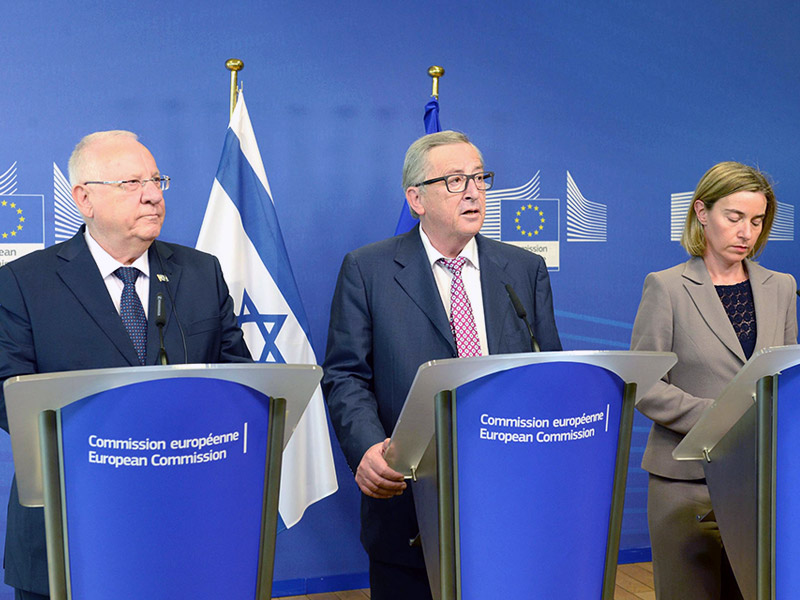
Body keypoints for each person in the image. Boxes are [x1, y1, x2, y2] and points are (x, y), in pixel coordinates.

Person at [0, 130, 251, 599]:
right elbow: (6, 393)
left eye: (157, 180)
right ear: (84, 199)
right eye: (132, 183)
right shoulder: (22, 282)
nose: (153, 194)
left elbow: (237, 376)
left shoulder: (201, 272)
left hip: (186, 522)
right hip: (72, 521)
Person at [322, 130, 561, 599]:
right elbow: (346, 375)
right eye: (454, 180)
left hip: (509, 492)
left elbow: (547, 372)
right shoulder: (367, 270)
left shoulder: (524, 270)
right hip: (410, 496)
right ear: (416, 198)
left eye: (479, 177)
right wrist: (369, 449)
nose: (473, 191)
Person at [631, 161, 797, 599]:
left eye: (758, 221)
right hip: (685, 484)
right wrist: (722, 417)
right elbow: (644, 386)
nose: (747, 232)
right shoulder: (665, 287)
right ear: (702, 213)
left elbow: (786, 381)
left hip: (761, 483)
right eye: (735, 217)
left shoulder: (782, 287)